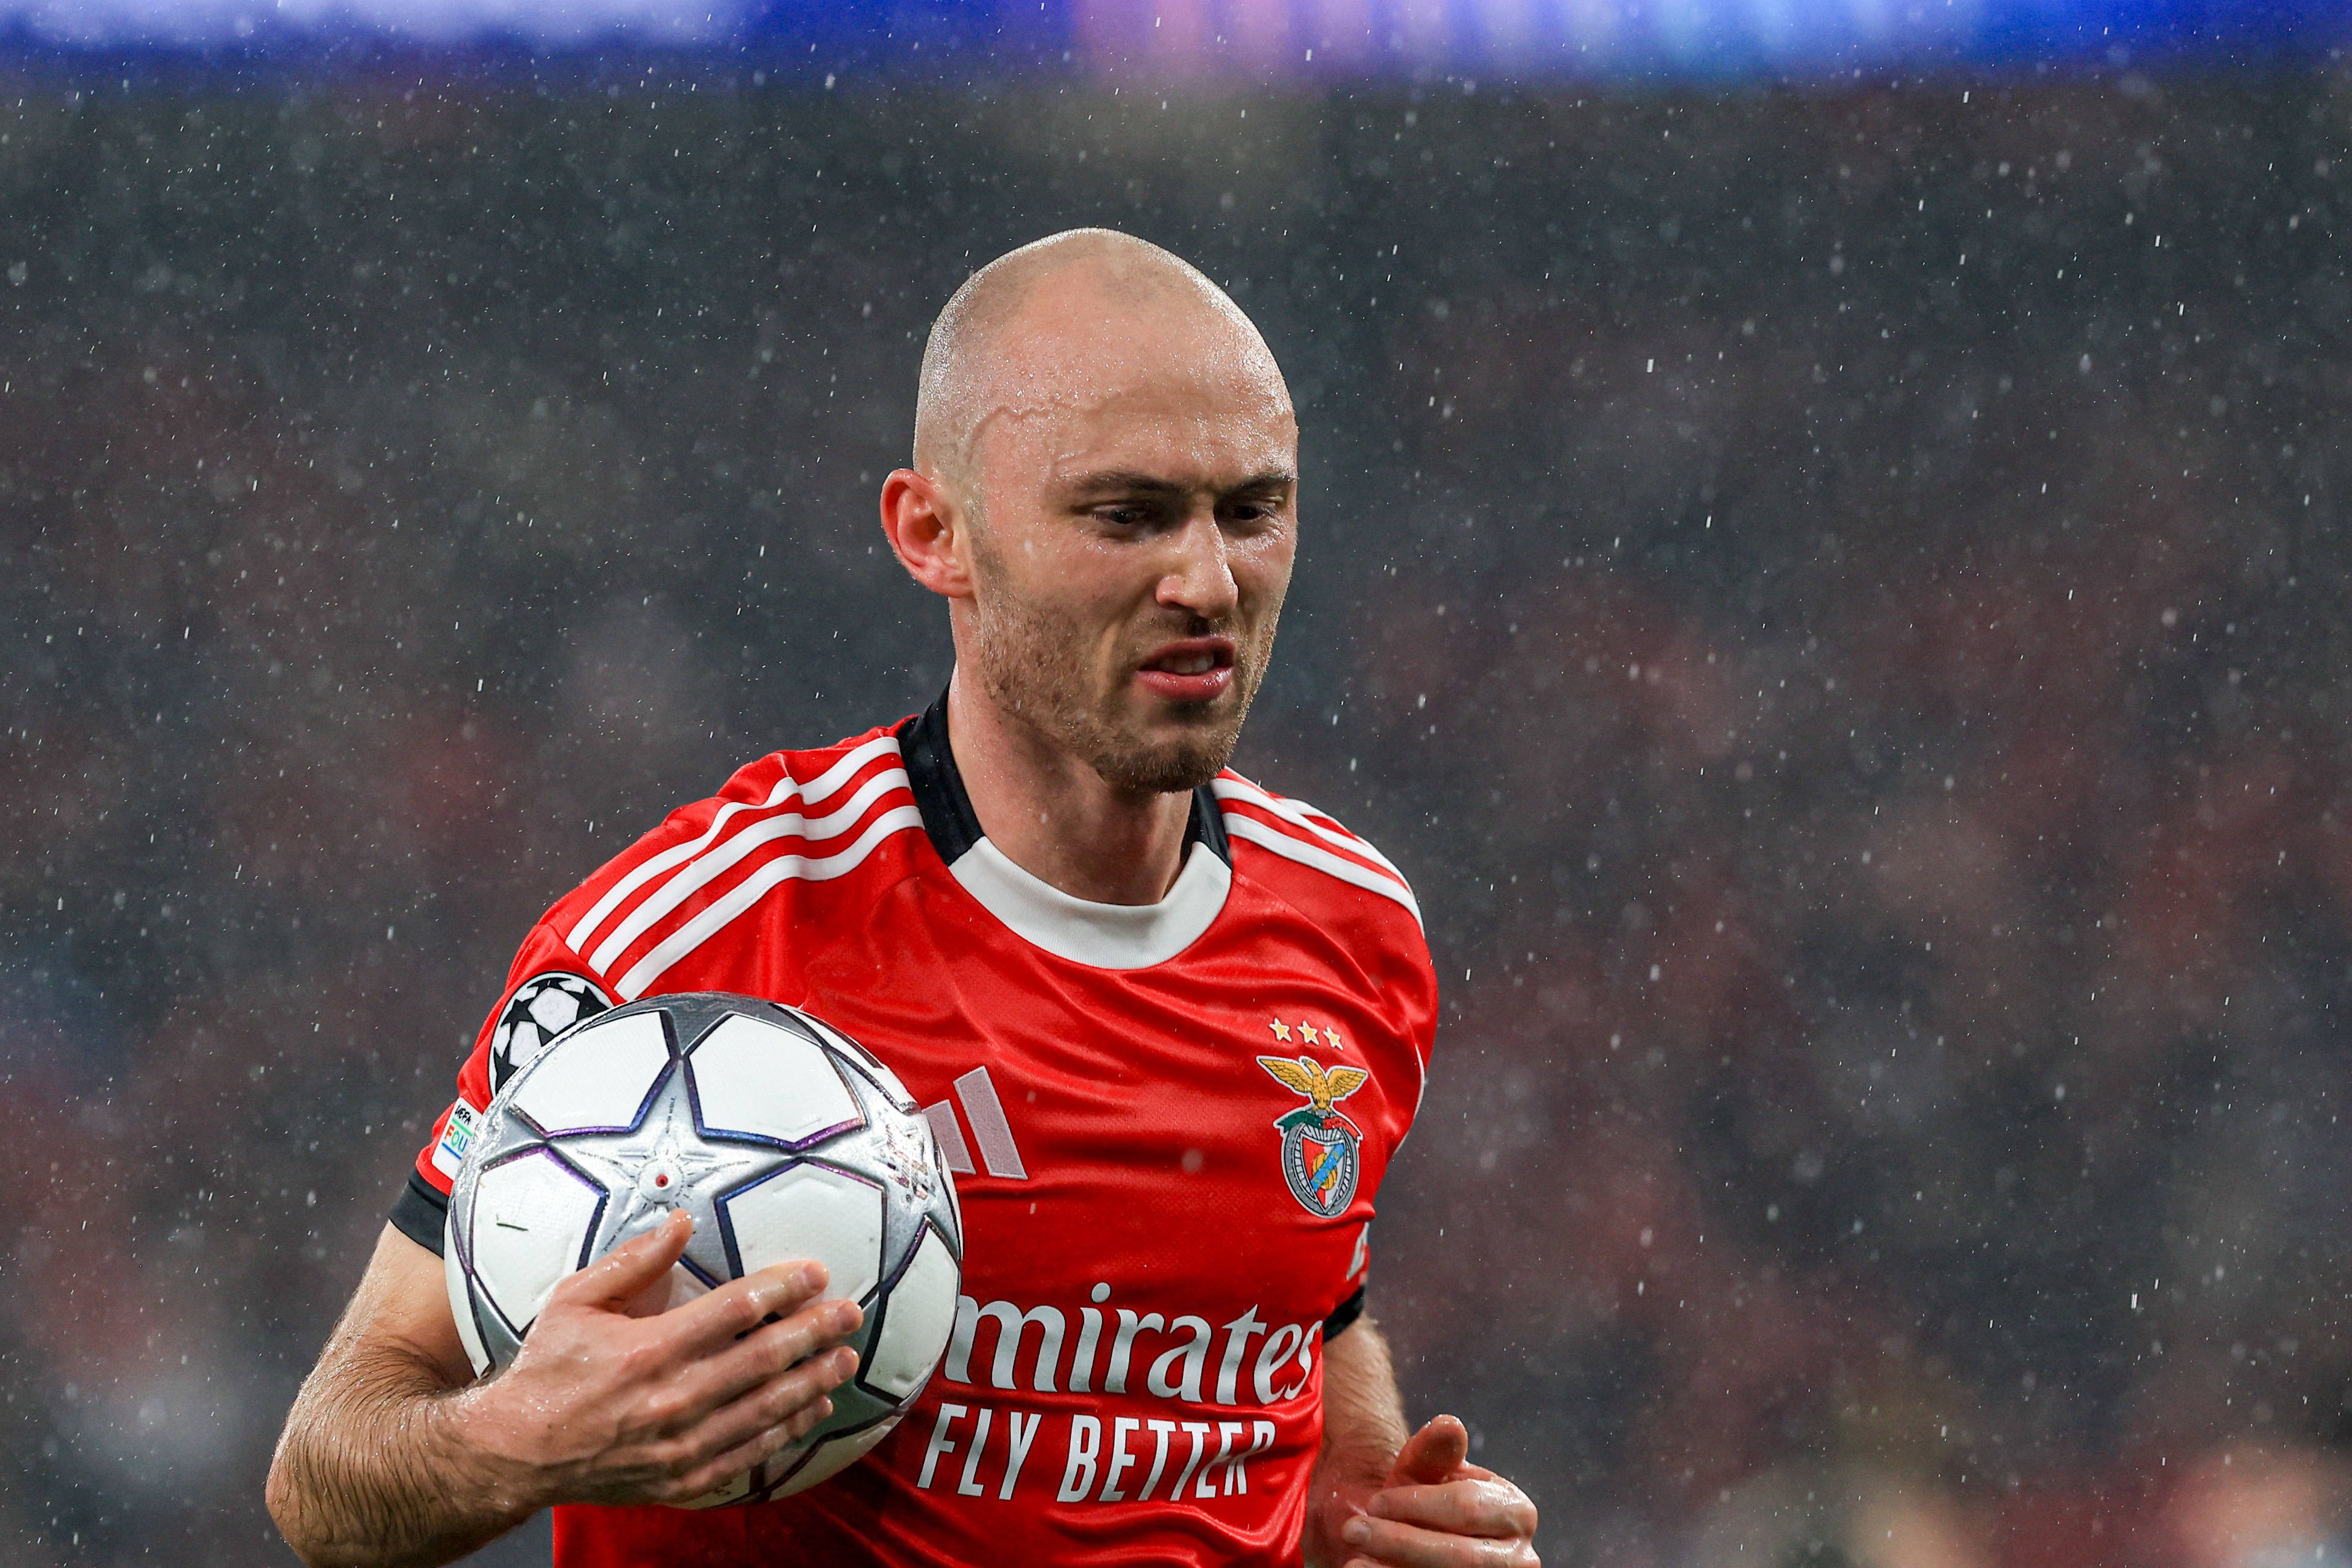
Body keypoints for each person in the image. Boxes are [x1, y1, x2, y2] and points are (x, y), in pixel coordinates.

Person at [266, 228, 1540, 1568]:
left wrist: (1362, 1509)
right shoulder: (699, 940)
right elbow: (329, 1471)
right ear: (935, 533)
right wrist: (520, 1437)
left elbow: (1306, 1320)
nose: (1208, 581)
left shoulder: (1356, 925)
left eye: (1252, 508)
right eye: (1129, 516)